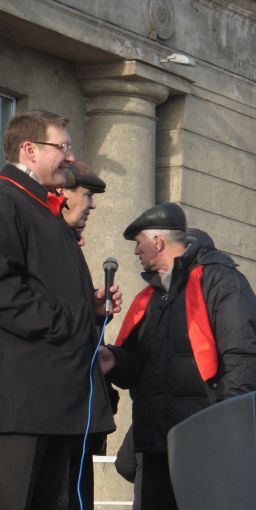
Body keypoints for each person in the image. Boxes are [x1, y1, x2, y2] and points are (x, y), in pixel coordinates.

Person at [98, 204, 256, 510]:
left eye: (139, 242)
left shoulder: (219, 282)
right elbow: (142, 365)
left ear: (158, 242)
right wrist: (115, 361)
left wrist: (228, 430)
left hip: (203, 442)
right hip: (156, 445)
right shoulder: (151, 297)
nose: (135, 251)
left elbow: (241, 362)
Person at [0, 110, 121, 509]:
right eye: (62, 147)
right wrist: (66, 324)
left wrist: (91, 308)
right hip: (23, 403)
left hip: (55, 401)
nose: (70, 157)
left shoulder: (44, 210)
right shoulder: (7, 200)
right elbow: (6, 291)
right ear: (29, 150)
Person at [56, 162, 117, 510]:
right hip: (50, 407)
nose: (92, 204)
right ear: (62, 194)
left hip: (74, 412)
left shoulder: (69, 246)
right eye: (87, 194)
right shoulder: (45, 243)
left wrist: (95, 312)